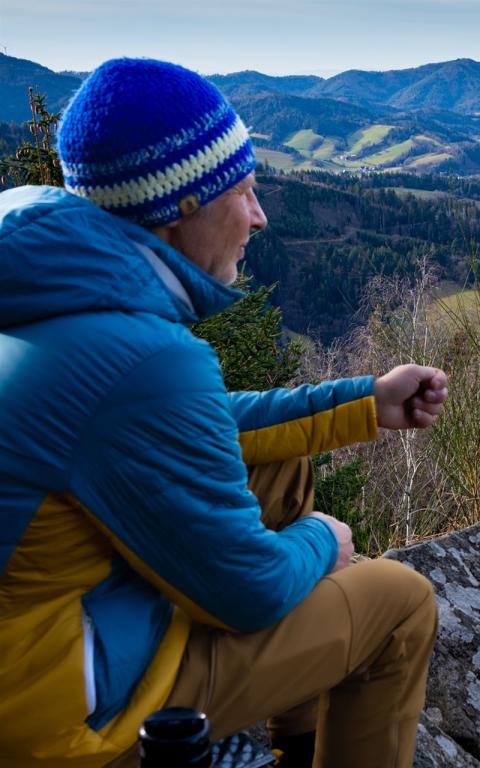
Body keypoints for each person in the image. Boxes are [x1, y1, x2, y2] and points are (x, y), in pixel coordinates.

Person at [0, 58, 448, 768]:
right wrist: (320, 542)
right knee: (399, 603)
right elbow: (249, 593)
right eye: (244, 192)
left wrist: (364, 403)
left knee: (280, 468)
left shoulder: (44, 283)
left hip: (32, 637)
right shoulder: (140, 356)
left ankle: (291, 737)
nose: (262, 216)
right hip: (51, 716)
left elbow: (181, 428)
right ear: (180, 205)